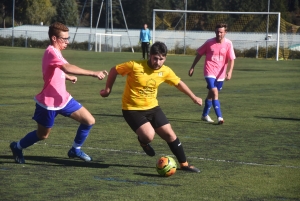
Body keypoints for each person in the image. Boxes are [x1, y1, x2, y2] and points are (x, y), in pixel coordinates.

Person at [9, 22, 108, 164]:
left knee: (89, 121)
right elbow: (66, 67)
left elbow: (55, 70)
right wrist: (93, 73)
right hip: (48, 103)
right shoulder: (51, 51)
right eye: (64, 39)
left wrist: (67, 77)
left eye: (68, 38)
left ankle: (75, 149)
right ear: (54, 38)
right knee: (42, 135)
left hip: (63, 99)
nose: (67, 42)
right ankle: (17, 146)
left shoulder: (56, 52)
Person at [100, 41, 202, 173]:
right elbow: (114, 70)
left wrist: (193, 97)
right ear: (150, 55)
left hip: (153, 108)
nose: (158, 62)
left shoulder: (165, 71)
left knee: (170, 134)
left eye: (161, 59)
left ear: (165, 58)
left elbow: (178, 83)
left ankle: (184, 164)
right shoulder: (135, 66)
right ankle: (143, 142)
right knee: (149, 136)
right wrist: (107, 90)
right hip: (132, 109)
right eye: (155, 58)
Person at [188, 23, 236, 124]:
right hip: (209, 71)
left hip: (221, 73)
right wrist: (192, 67)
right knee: (214, 92)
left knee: (210, 95)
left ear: (225, 33)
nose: (219, 34)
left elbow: (232, 59)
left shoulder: (228, 44)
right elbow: (199, 54)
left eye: (221, 32)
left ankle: (204, 115)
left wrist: (230, 71)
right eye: (217, 32)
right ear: (215, 32)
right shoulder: (209, 43)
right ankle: (220, 117)